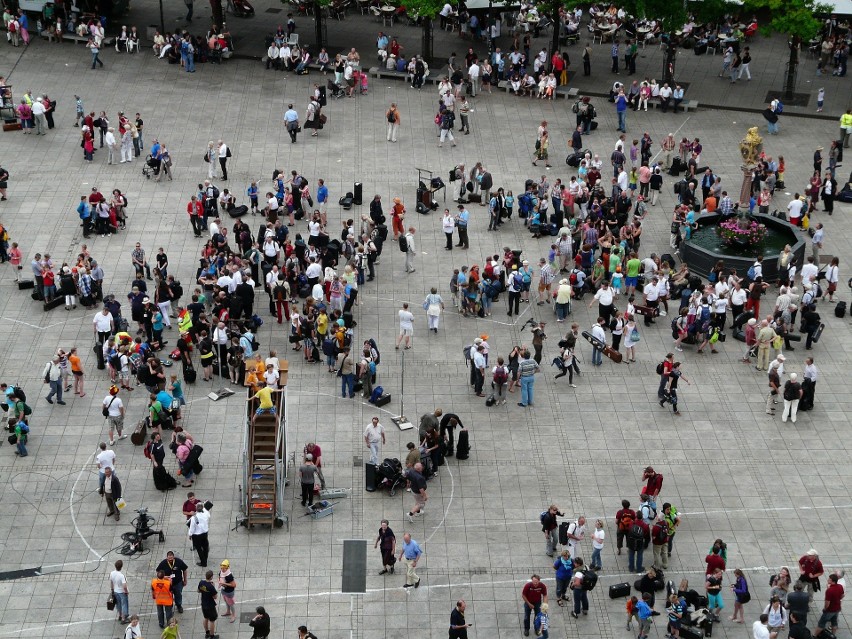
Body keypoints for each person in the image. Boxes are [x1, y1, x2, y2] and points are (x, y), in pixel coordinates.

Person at [197, 570, 219, 639]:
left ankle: (207, 633)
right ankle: (212, 636)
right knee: (212, 620)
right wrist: (213, 586)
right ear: (211, 577)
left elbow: (198, 591)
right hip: (210, 605)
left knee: (206, 618)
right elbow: (215, 597)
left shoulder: (201, 582)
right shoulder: (211, 586)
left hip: (203, 604)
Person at [188, 502, 210, 567]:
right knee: (205, 547)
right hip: (205, 533)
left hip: (196, 535)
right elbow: (208, 514)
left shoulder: (194, 518)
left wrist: (190, 534)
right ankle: (205, 559)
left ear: (196, 509)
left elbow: (192, 528)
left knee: (199, 549)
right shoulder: (206, 514)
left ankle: (203, 562)